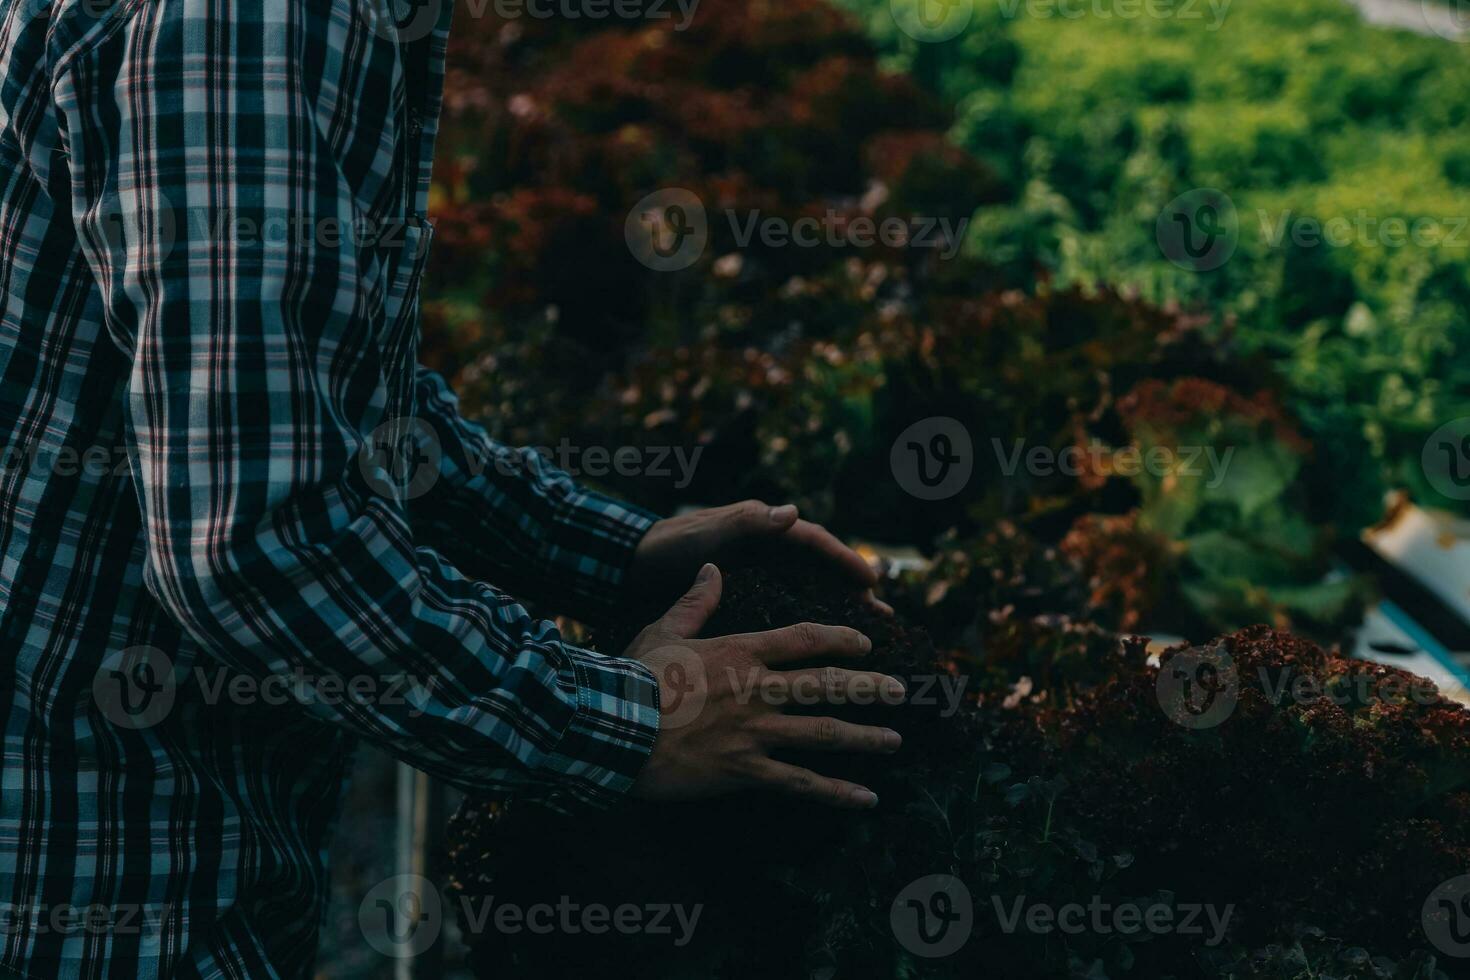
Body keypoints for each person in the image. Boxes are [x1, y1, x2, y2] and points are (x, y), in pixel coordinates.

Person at [0, 1, 904, 976]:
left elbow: (326, 401)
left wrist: (606, 552)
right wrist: (624, 722)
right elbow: (255, 540)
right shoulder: (251, 22)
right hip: (96, 876)